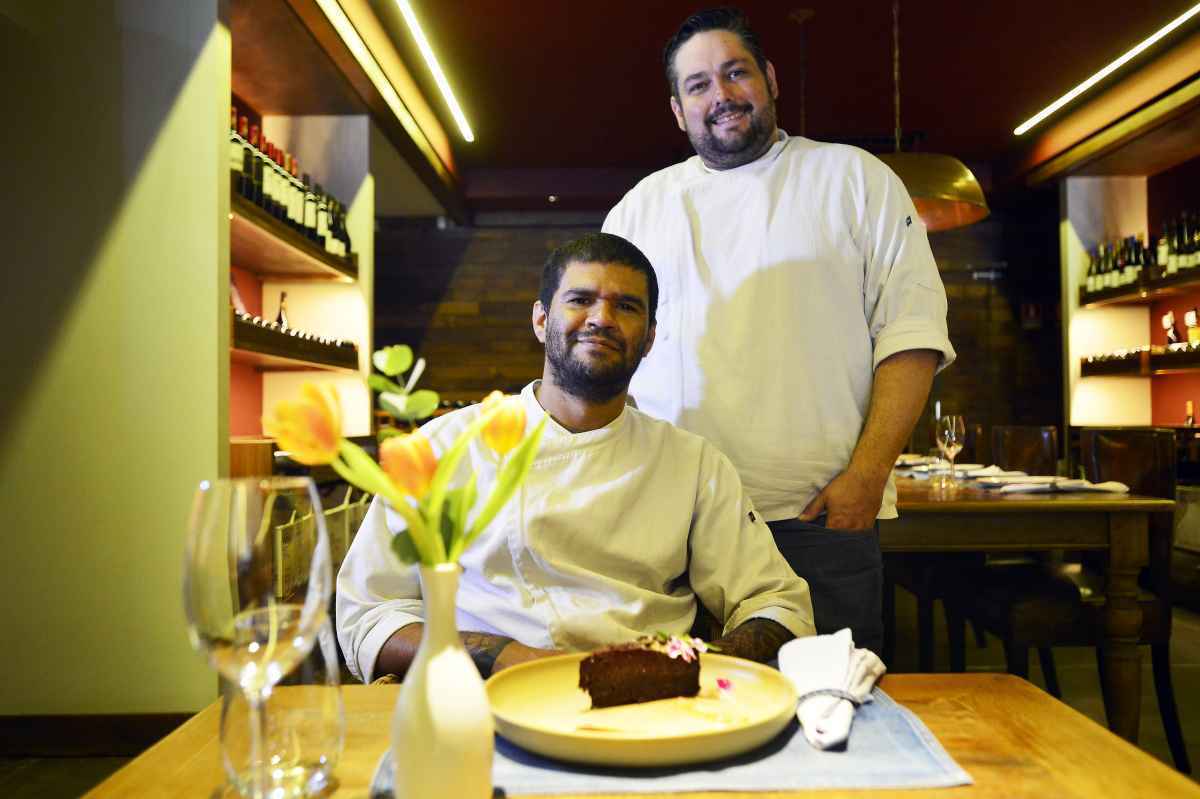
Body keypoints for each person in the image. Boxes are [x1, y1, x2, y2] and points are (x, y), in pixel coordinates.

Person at [602, 7, 955, 655]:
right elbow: (603, 357)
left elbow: (914, 335)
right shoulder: (638, 210)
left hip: (818, 515)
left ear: (769, 78)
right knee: (674, 719)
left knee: (833, 718)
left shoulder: (855, 179)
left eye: (736, 73)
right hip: (668, 522)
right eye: (699, 85)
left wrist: (868, 475)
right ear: (678, 111)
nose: (722, 95)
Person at [337, 232, 814, 683]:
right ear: (541, 319)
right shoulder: (444, 446)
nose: (602, 318)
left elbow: (776, 602)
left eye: (626, 306)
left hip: (652, 707)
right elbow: (369, 613)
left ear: (648, 338)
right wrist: (510, 658)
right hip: (480, 700)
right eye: (581, 300)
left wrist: (689, 667)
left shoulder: (693, 464)